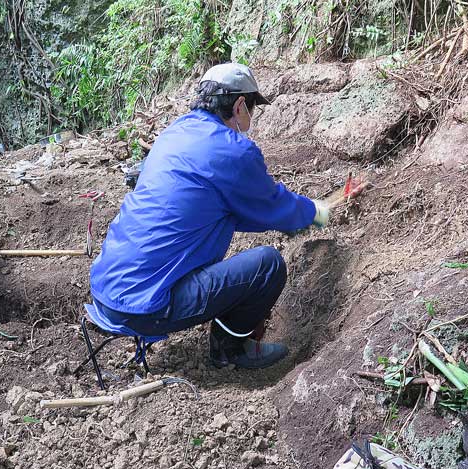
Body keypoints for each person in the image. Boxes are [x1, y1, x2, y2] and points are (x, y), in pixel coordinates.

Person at [88, 63, 331, 370]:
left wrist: (292, 219)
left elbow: (223, 209)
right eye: (252, 107)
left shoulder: (174, 133)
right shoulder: (234, 151)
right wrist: (316, 212)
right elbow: (274, 205)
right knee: (267, 266)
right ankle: (231, 350)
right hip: (143, 307)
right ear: (240, 104)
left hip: (105, 292)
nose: (251, 117)